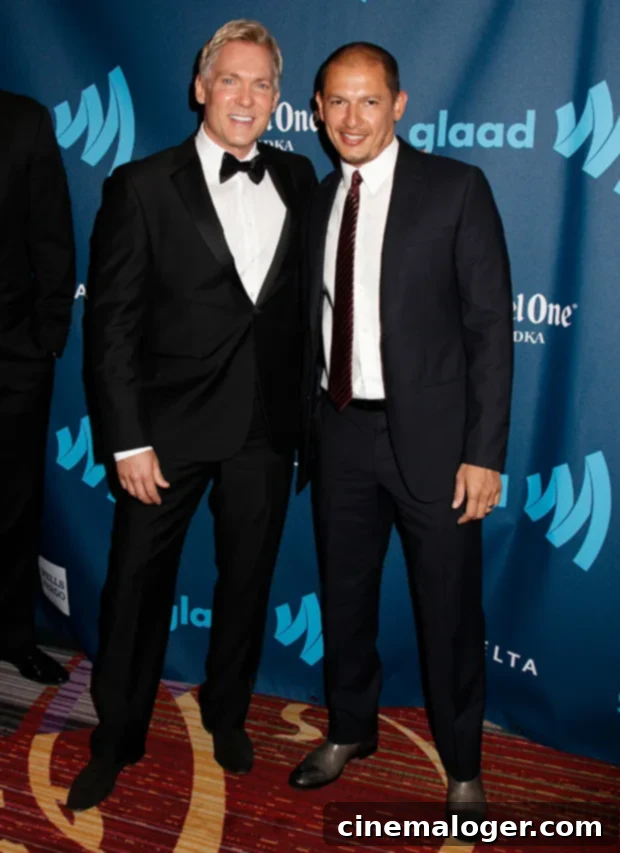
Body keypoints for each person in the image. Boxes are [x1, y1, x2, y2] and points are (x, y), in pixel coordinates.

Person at [68, 20, 317, 811]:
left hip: (265, 428)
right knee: (137, 585)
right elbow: (109, 326)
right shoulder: (141, 185)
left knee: (248, 582)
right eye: (232, 81)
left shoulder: (302, 177)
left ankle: (227, 711)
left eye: (263, 84)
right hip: (164, 432)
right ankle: (117, 736)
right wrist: (128, 438)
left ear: (279, 99)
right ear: (201, 88)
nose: (248, 98)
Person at [291, 43, 513, 823]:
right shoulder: (316, 199)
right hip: (340, 431)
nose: (352, 119)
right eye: (337, 103)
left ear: (400, 104)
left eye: (369, 101)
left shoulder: (456, 189)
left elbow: (490, 329)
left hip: (438, 445)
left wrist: (484, 453)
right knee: (344, 599)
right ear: (317, 110)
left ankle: (462, 764)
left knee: (450, 611)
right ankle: (350, 728)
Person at [0, 90, 75, 686]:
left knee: (15, 504)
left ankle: (14, 637)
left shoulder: (22, 120)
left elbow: (53, 237)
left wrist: (44, 341)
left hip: (11, 356)